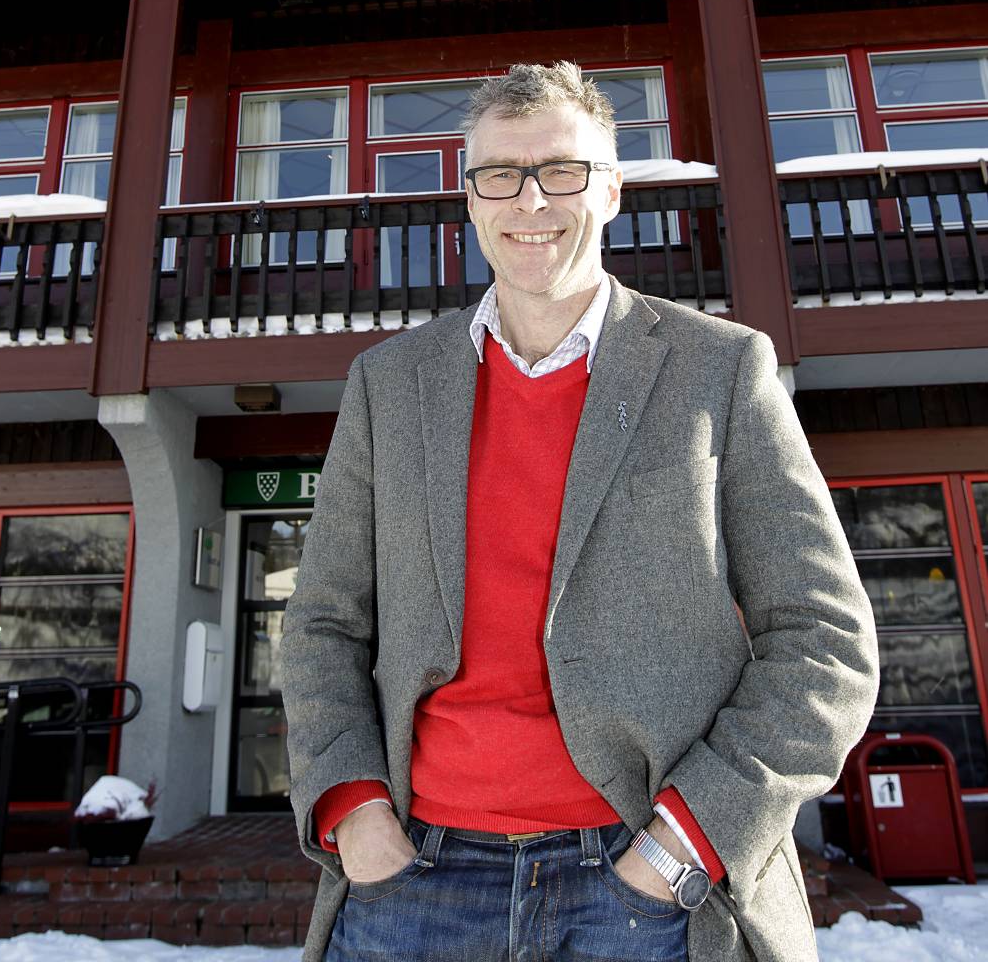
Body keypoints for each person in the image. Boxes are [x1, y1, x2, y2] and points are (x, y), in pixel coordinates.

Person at [283, 61, 879, 962]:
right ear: (470, 198)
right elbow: (322, 623)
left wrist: (682, 845)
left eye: (561, 171)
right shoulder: (388, 383)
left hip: (648, 888)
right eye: (499, 175)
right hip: (414, 883)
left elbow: (823, 639)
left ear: (610, 191)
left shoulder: (719, 370)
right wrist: (355, 810)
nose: (530, 201)